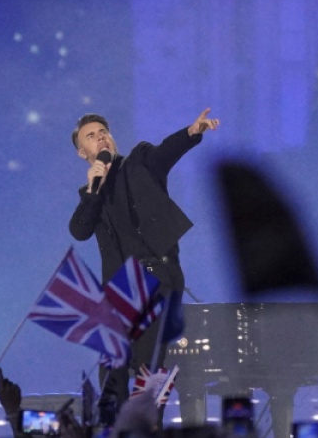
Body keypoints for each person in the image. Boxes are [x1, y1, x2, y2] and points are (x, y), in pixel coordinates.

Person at [68, 109, 219, 403]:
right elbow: (79, 230)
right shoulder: (91, 192)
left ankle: (148, 423)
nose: (101, 138)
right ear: (82, 152)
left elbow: (165, 153)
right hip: (120, 290)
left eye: (103, 132)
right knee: (111, 371)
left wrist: (191, 132)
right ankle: (117, 425)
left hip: (155, 277)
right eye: (91, 136)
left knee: (147, 369)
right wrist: (93, 190)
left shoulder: (139, 162)